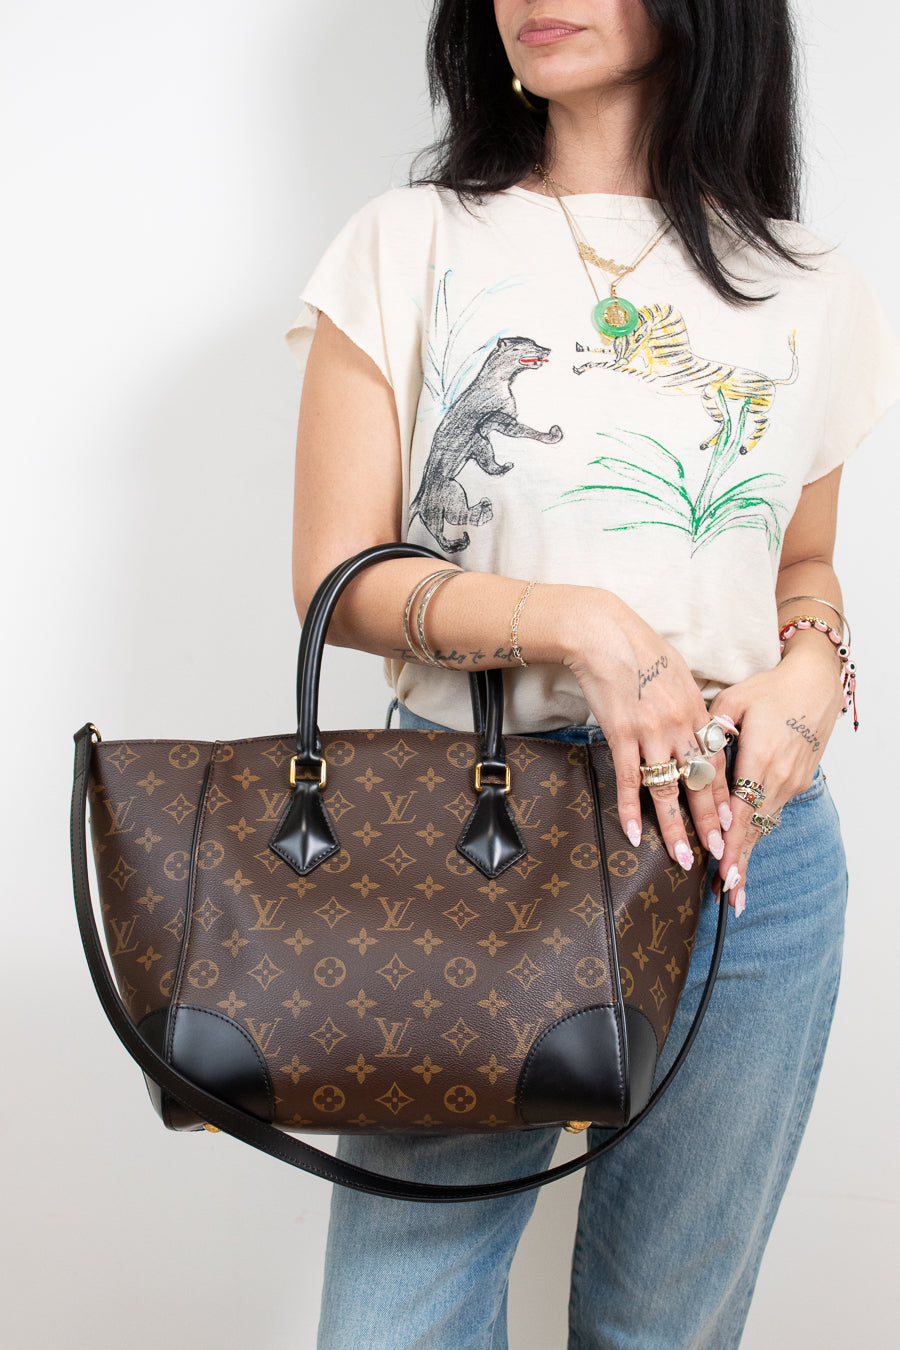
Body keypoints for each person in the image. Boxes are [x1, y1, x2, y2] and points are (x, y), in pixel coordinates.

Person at [286, 3, 900, 1346]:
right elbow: (334, 580)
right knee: (394, 1321)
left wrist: (811, 672)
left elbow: (802, 566)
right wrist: (582, 626)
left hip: (748, 850)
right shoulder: (413, 242)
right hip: (469, 823)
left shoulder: (810, 285)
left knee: (665, 1327)